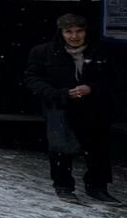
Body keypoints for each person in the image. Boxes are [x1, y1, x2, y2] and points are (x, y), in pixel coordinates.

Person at [25, 13, 117, 204]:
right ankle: (63, 186)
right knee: (60, 147)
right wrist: (57, 94)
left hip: (94, 107)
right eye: (69, 32)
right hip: (60, 106)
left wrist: (91, 88)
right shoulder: (43, 52)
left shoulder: (100, 51)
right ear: (61, 33)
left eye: (79, 31)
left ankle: (97, 187)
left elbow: (114, 79)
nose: (74, 36)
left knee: (98, 148)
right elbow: (32, 78)